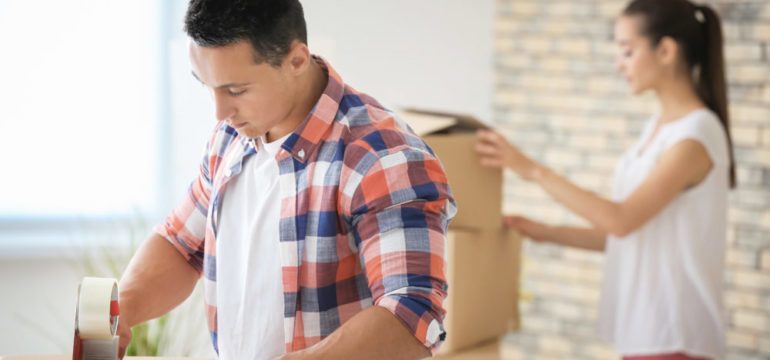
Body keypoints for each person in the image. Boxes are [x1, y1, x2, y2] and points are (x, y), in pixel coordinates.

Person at [117, 0, 456, 359]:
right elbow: (182, 245)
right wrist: (121, 309)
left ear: (296, 60)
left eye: (236, 90)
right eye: (207, 86)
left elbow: (411, 315)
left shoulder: (382, 157)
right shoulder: (230, 138)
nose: (219, 112)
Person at [475, 0, 734, 359]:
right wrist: (545, 231)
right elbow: (628, 232)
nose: (619, 63)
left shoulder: (696, 135)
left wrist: (532, 170)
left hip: (675, 334)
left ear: (666, 50)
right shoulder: (657, 130)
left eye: (627, 51)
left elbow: (621, 220)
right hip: (645, 332)